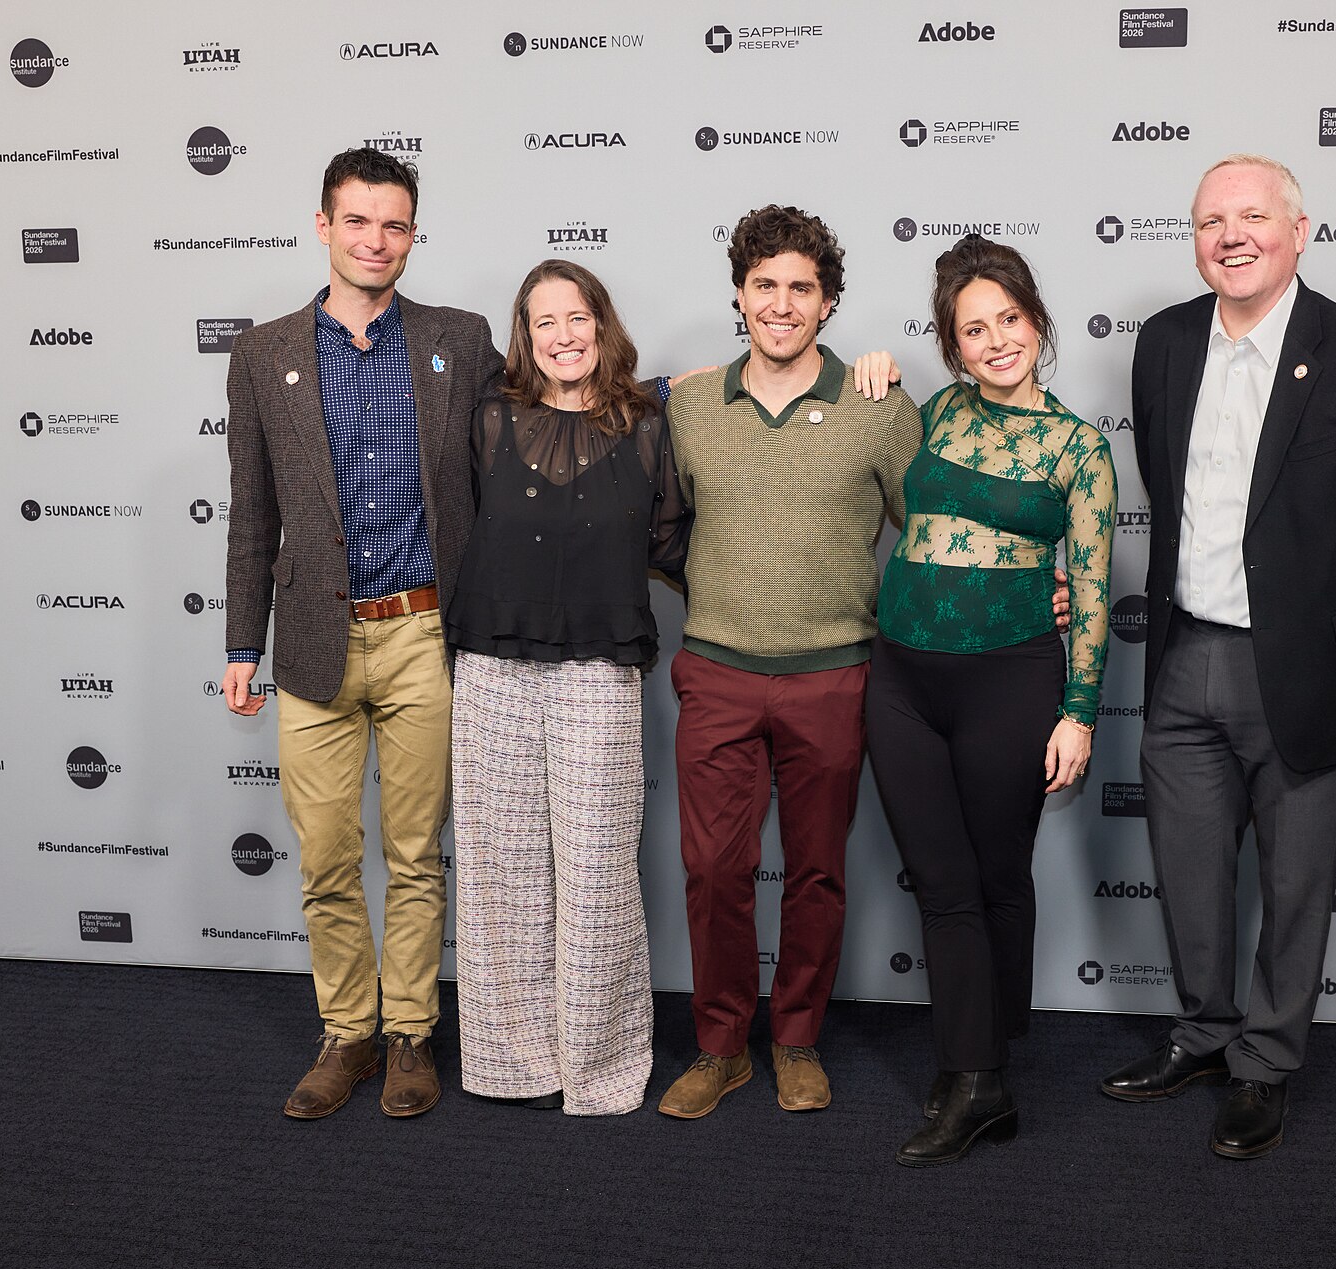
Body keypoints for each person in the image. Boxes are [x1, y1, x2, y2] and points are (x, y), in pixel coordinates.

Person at [1103, 154, 1336, 1158]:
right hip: (1181, 660)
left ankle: (1264, 1066)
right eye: (1212, 219)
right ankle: (1205, 1034)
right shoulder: (1167, 342)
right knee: (1188, 872)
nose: (1232, 234)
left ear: (1300, 231)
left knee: (1296, 883)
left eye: (1253, 215)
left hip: (1298, 674)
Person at [222, 147, 504, 1119]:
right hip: (311, 643)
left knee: (418, 852)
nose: (377, 240)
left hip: (426, 632)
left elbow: (537, 439)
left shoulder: (461, 342)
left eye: (395, 224)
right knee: (328, 855)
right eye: (358, 222)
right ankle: (347, 1033)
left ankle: (411, 1033)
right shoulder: (263, 354)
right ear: (324, 226)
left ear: (413, 233)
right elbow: (251, 511)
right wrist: (237, 648)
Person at [655, 205, 924, 1119]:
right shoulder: (689, 405)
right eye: (763, 285)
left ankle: (798, 1038)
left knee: (816, 869)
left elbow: (931, 534)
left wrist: (1026, 584)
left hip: (834, 674)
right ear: (739, 295)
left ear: (829, 300)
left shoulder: (878, 408)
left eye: (800, 287)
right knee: (715, 870)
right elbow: (663, 531)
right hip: (718, 670)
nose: (780, 303)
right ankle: (722, 1044)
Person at [866, 235, 1116, 1167]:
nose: (996, 339)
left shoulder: (1079, 448)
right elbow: (905, 510)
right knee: (942, 879)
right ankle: (978, 1072)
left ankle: (985, 1063)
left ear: (1037, 322)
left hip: (1011, 676)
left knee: (997, 874)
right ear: (953, 345)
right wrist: (876, 376)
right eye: (974, 329)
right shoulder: (929, 415)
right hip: (901, 676)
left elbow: (1090, 590)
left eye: (1008, 318)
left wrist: (1080, 709)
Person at [445, 260, 689, 1116]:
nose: (563, 335)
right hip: (491, 667)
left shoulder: (651, 425)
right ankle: (515, 1063)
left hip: (600, 668)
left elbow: (674, 545)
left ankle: (600, 1065)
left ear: (601, 322)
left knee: (596, 872)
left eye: (576, 316)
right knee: (499, 873)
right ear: (525, 334)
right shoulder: (488, 419)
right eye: (543, 321)